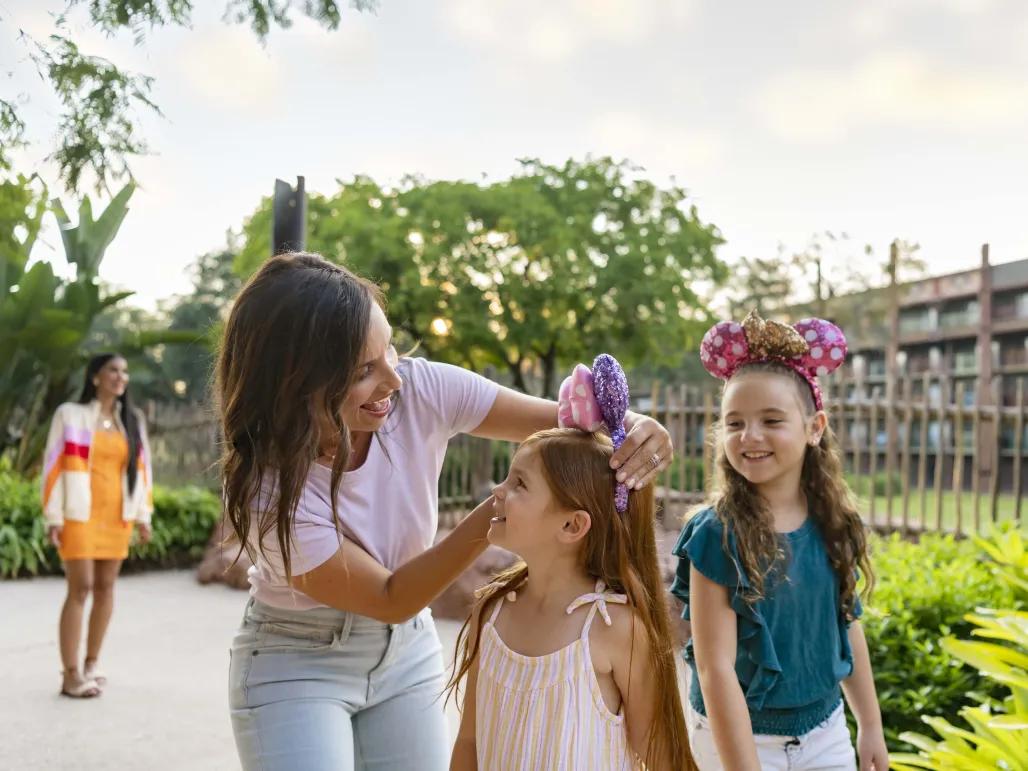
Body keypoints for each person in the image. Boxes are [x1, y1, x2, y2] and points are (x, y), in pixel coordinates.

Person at [218, 253, 673, 771]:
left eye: (388, 347)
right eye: (365, 369)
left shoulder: (422, 389)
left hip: (405, 652)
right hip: (299, 658)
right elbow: (390, 597)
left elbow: (568, 425)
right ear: (296, 383)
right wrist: (498, 510)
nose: (395, 378)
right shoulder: (271, 489)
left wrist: (635, 428)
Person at [448, 355, 695, 771]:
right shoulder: (490, 612)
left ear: (572, 524)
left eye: (519, 483)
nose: (498, 490)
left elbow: (663, 758)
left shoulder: (614, 628)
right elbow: (470, 742)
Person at [672, 311, 889, 771]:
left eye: (771, 420)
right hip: (736, 740)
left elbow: (846, 625)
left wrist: (869, 723)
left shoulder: (834, 522)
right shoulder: (717, 533)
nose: (750, 436)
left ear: (814, 428)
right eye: (734, 424)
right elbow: (715, 669)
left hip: (826, 733)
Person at [42, 353, 154, 698]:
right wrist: (54, 516)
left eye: (124, 371)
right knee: (81, 587)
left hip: (116, 515)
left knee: (106, 588)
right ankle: (70, 674)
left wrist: (143, 515)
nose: (120, 377)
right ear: (95, 377)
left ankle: (92, 663)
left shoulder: (132, 420)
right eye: (113, 370)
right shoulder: (70, 415)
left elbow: (143, 470)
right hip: (79, 514)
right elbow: (53, 466)